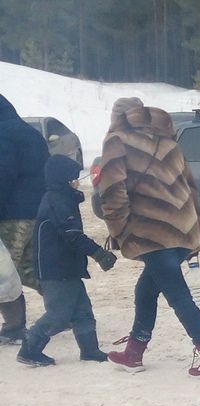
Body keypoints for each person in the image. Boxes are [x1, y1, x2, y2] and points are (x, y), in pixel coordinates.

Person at [98, 97, 200, 378]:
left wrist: (118, 231)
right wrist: (196, 236)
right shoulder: (169, 143)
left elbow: (113, 193)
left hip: (151, 232)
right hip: (183, 229)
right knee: (146, 290)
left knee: (177, 294)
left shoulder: (117, 141)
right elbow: (191, 189)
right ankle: (134, 352)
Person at [17, 155, 117, 367]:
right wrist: (99, 253)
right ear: (63, 179)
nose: (77, 182)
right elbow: (72, 234)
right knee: (58, 315)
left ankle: (90, 350)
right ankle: (29, 348)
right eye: (73, 179)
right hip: (55, 269)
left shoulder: (63, 198)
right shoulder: (57, 201)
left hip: (67, 268)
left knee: (82, 311)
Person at [0, 93, 51, 345]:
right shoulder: (28, 132)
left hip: (13, 215)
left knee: (5, 272)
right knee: (31, 268)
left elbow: (3, 175)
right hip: (38, 211)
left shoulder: (3, 134)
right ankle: (68, 309)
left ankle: (13, 327)